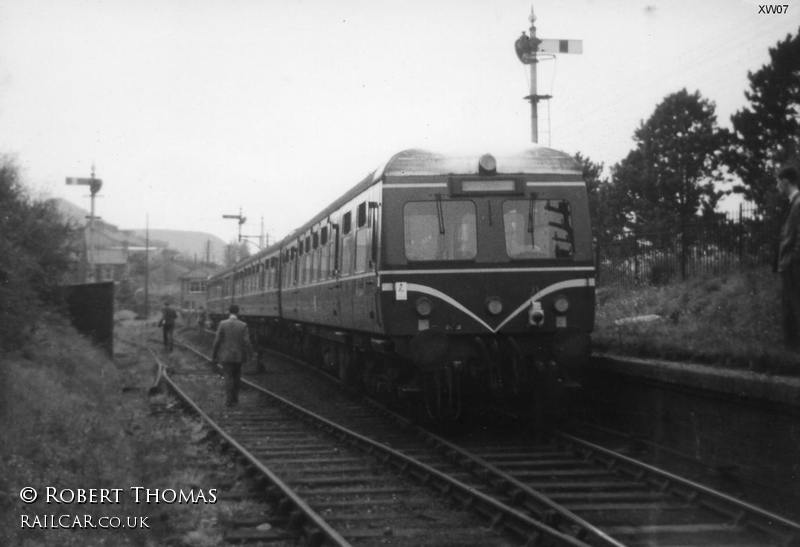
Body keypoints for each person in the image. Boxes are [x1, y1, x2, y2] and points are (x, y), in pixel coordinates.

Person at [777, 164, 800, 349]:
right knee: (789, 309)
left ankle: (793, 352)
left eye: (778, 183)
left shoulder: (798, 204)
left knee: (793, 308)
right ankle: (791, 352)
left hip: (793, 266)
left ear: (785, 182)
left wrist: (792, 261)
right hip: (789, 265)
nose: (777, 187)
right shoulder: (793, 203)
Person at [212, 304, 252, 407]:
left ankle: (229, 400)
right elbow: (247, 341)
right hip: (239, 356)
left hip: (225, 356)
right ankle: (235, 399)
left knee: (228, 377)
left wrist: (214, 354)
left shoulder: (222, 324)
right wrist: (250, 354)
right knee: (237, 376)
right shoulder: (243, 325)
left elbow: (217, 341)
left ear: (228, 312)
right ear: (238, 312)